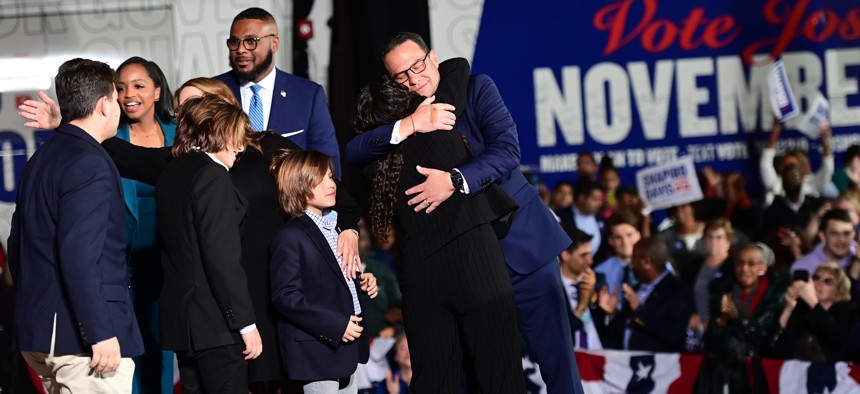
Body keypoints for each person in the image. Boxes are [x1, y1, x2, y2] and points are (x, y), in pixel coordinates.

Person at [19, 77, 363, 386]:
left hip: (270, 293)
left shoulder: (268, 147)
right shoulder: (182, 164)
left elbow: (326, 184)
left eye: (193, 105)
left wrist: (348, 229)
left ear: (219, 106)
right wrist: (68, 123)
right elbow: (123, 152)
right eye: (180, 108)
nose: (183, 114)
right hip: (221, 306)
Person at [344, 32, 579, 393]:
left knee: (556, 361)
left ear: (433, 58)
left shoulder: (475, 88)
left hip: (522, 246)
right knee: (477, 369)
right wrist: (410, 124)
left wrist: (455, 179)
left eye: (417, 66)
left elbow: (507, 151)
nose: (413, 78)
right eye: (401, 76)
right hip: (466, 262)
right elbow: (357, 150)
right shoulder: (408, 114)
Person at [354, 59, 525, 393]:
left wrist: (405, 124)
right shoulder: (442, 128)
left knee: (433, 383)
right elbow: (458, 67)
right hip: (476, 263)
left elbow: (356, 148)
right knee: (501, 378)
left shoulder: (372, 165)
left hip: (421, 277)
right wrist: (421, 108)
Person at [8, 58, 143, 392]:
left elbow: (16, 244)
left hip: (40, 330)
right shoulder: (90, 163)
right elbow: (80, 255)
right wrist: (98, 330)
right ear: (103, 104)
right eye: (115, 96)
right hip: (81, 340)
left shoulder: (44, 156)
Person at [157, 95, 261, 393]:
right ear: (217, 132)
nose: (240, 147)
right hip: (216, 326)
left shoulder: (173, 171)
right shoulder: (212, 175)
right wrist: (246, 324)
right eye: (235, 137)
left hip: (184, 326)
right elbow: (221, 257)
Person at [269, 149, 378, 393]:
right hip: (318, 351)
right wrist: (336, 325)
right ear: (299, 185)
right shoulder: (290, 236)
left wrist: (361, 281)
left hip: (346, 349)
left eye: (331, 176)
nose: (331, 184)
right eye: (321, 179)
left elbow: (333, 279)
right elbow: (285, 296)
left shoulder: (335, 227)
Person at [215, 7, 341, 175]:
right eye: (234, 42)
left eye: (251, 41)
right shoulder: (214, 91)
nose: (240, 50)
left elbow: (327, 164)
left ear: (274, 44)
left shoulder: (308, 95)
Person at [115, 56, 177, 394]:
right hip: (126, 264)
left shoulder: (179, 134)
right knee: (133, 349)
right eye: (121, 88)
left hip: (171, 258)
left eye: (138, 86)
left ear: (156, 90)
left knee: (163, 343)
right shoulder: (110, 138)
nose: (128, 94)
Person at [700, 243, 789, 393]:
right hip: (723, 372)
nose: (744, 269)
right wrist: (722, 318)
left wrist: (736, 317)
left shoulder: (773, 298)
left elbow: (763, 339)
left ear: (763, 267)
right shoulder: (724, 292)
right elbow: (710, 341)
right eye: (740, 263)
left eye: (751, 264)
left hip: (756, 372)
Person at [593, 238, 694, 352]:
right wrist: (613, 313)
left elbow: (673, 335)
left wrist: (639, 310)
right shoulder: (637, 288)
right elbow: (620, 332)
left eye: (634, 258)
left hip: (659, 366)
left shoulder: (677, 291)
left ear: (647, 261)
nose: (631, 264)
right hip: (625, 363)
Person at [771, 263, 856, 362]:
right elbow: (772, 349)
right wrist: (789, 307)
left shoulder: (846, 312)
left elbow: (836, 338)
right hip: (793, 371)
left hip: (828, 372)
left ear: (839, 290)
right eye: (816, 278)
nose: (819, 283)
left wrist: (813, 302)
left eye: (828, 281)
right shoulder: (801, 310)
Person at [559, 224, 602, 350]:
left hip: (600, 356)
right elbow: (558, 332)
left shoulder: (599, 280)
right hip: (570, 357)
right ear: (565, 255)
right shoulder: (551, 288)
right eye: (583, 255)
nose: (590, 261)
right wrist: (582, 305)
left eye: (590, 254)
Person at [792, 208, 856, 273]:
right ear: (822, 236)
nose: (841, 239)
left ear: (853, 235)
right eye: (834, 234)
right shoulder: (802, 267)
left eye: (846, 234)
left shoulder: (857, 260)